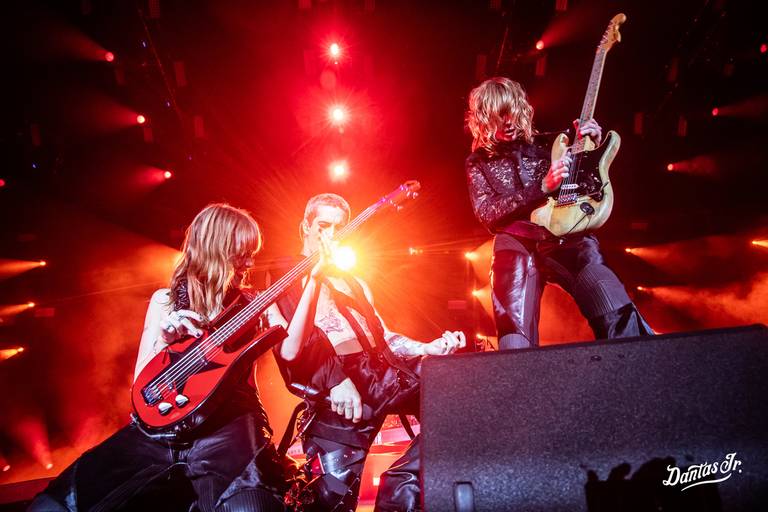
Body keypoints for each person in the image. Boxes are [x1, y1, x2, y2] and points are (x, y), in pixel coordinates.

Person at [30, 204, 291, 512]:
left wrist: (314, 279)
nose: (249, 262)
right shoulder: (164, 301)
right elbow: (142, 389)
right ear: (217, 249)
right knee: (55, 505)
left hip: (228, 426)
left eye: (251, 254)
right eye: (242, 253)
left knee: (249, 505)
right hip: (165, 430)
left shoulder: (255, 303)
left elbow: (291, 352)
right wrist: (165, 341)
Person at [266, 193, 466, 512]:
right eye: (324, 226)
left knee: (459, 397)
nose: (332, 235)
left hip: (381, 376)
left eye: (340, 228)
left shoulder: (354, 282)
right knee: (329, 502)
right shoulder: (284, 275)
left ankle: (399, 488)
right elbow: (291, 345)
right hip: (338, 393)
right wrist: (334, 380)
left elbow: (383, 337)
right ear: (305, 226)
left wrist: (426, 348)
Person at [464, 77, 653, 350]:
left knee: (615, 309)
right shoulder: (478, 161)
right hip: (516, 241)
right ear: (484, 118)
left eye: (511, 112)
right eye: (498, 115)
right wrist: (542, 187)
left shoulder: (551, 143)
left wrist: (590, 149)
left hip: (566, 235)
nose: (507, 121)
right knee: (514, 341)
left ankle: (644, 365)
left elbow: (587, 186)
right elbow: (487, 213)